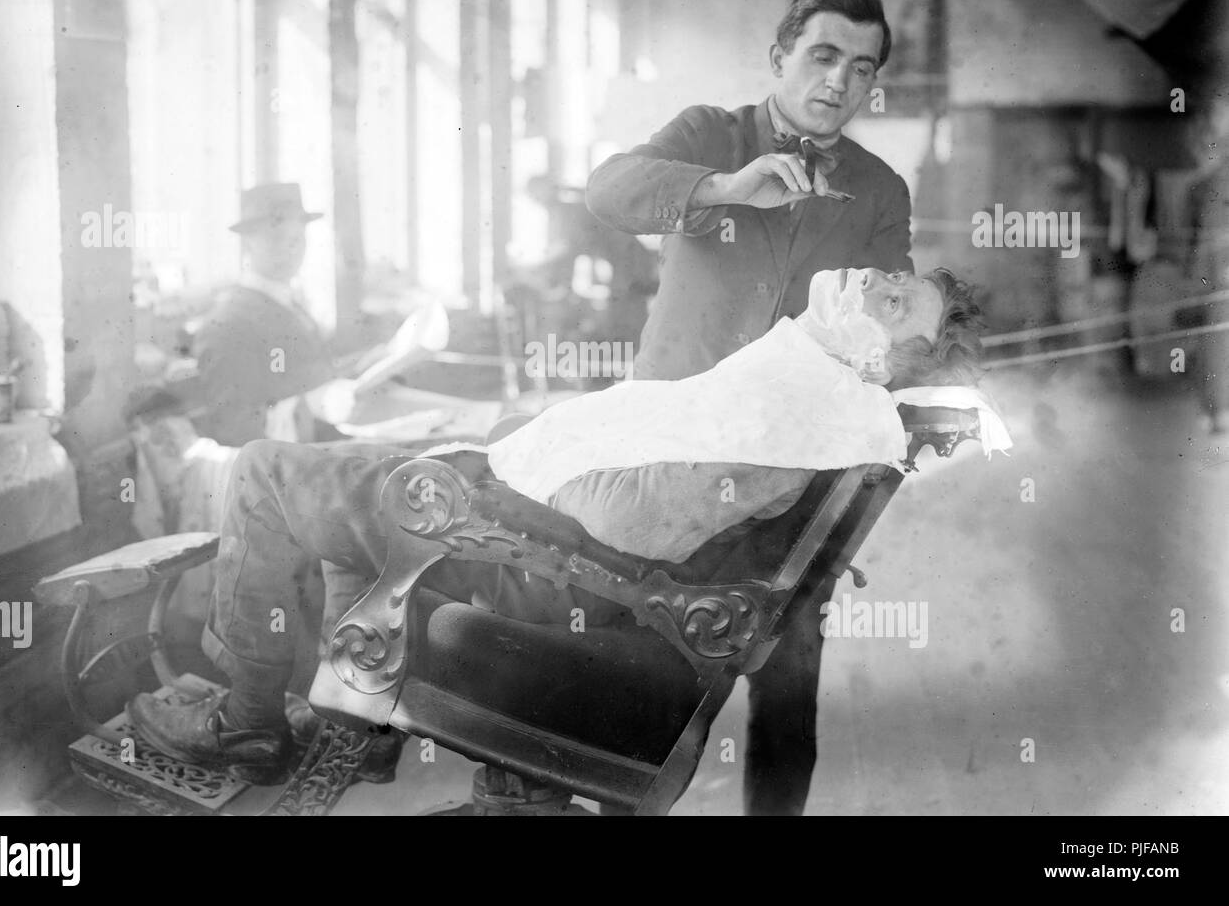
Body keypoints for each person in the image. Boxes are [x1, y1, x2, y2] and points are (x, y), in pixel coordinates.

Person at [123, 265, 984, 791]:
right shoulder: (815, 390)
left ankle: (246, 719)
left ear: (884, 357)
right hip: (525, 515)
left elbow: (632, 519)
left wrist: (519, 464)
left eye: (898, 299)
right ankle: (359, 728)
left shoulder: (806, 417)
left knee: (260, 471)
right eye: (893, 275)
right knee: (367, 463)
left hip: (520, 558)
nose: (875, 280)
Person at [584, 0, 915, 813]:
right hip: (668, 451)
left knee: (787, 672)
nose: (840, 81)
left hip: (788, 479)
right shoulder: (709, 132)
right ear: (780, 58)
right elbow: (609, 189)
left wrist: (894, 356)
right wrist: (722, 191)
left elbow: (893, 315)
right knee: (642, 666)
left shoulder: (879, 191)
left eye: (864, 67)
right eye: (824, 54)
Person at [190, 183, 338, 446]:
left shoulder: (291, 304)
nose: (289, 250)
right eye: (275, 239)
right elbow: (236, 427)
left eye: (296, 240)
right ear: (248, 243)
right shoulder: (228, 322)